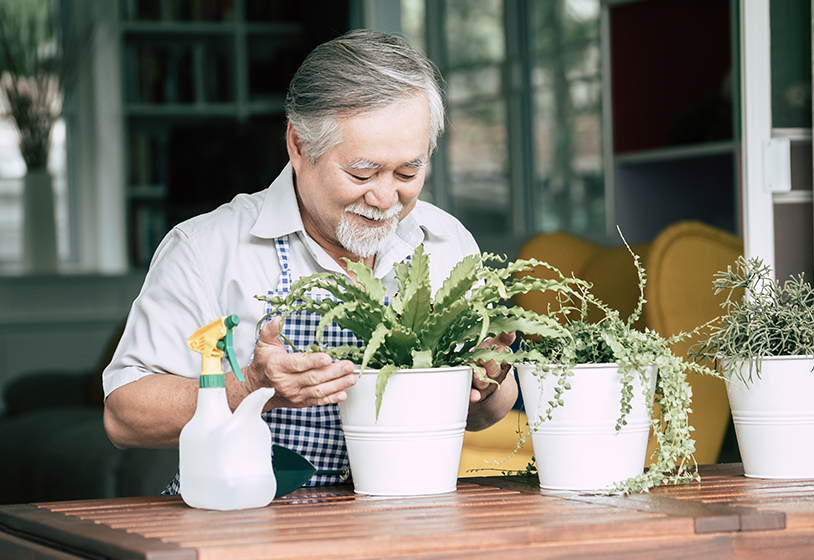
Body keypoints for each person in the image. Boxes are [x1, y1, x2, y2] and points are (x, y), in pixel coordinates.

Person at [102, 29, 518, 489]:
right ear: (298, 146)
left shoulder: (446, 242)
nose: (384, 198)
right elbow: (124, 416)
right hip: (247, 531)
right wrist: (253, 388)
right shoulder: (207, 247)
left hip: (411, 522)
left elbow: (488, 414)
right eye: (362, 172)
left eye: (408, 171)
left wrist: (489, 385)